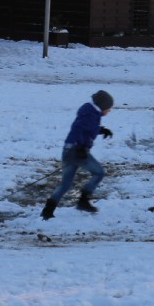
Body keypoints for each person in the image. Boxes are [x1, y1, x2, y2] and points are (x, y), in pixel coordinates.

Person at [41, 91, 115, 220]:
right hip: (76, 150)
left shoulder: (90, 112)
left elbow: (87, 127)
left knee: (65, 184)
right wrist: (80, 146)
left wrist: (101, 130)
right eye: (108, 108)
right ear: (102, 106)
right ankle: (83, 201)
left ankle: (47, 211)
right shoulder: (90, 114)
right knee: (99, 172)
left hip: (69, 149)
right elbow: (78, 128)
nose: (109, 111)